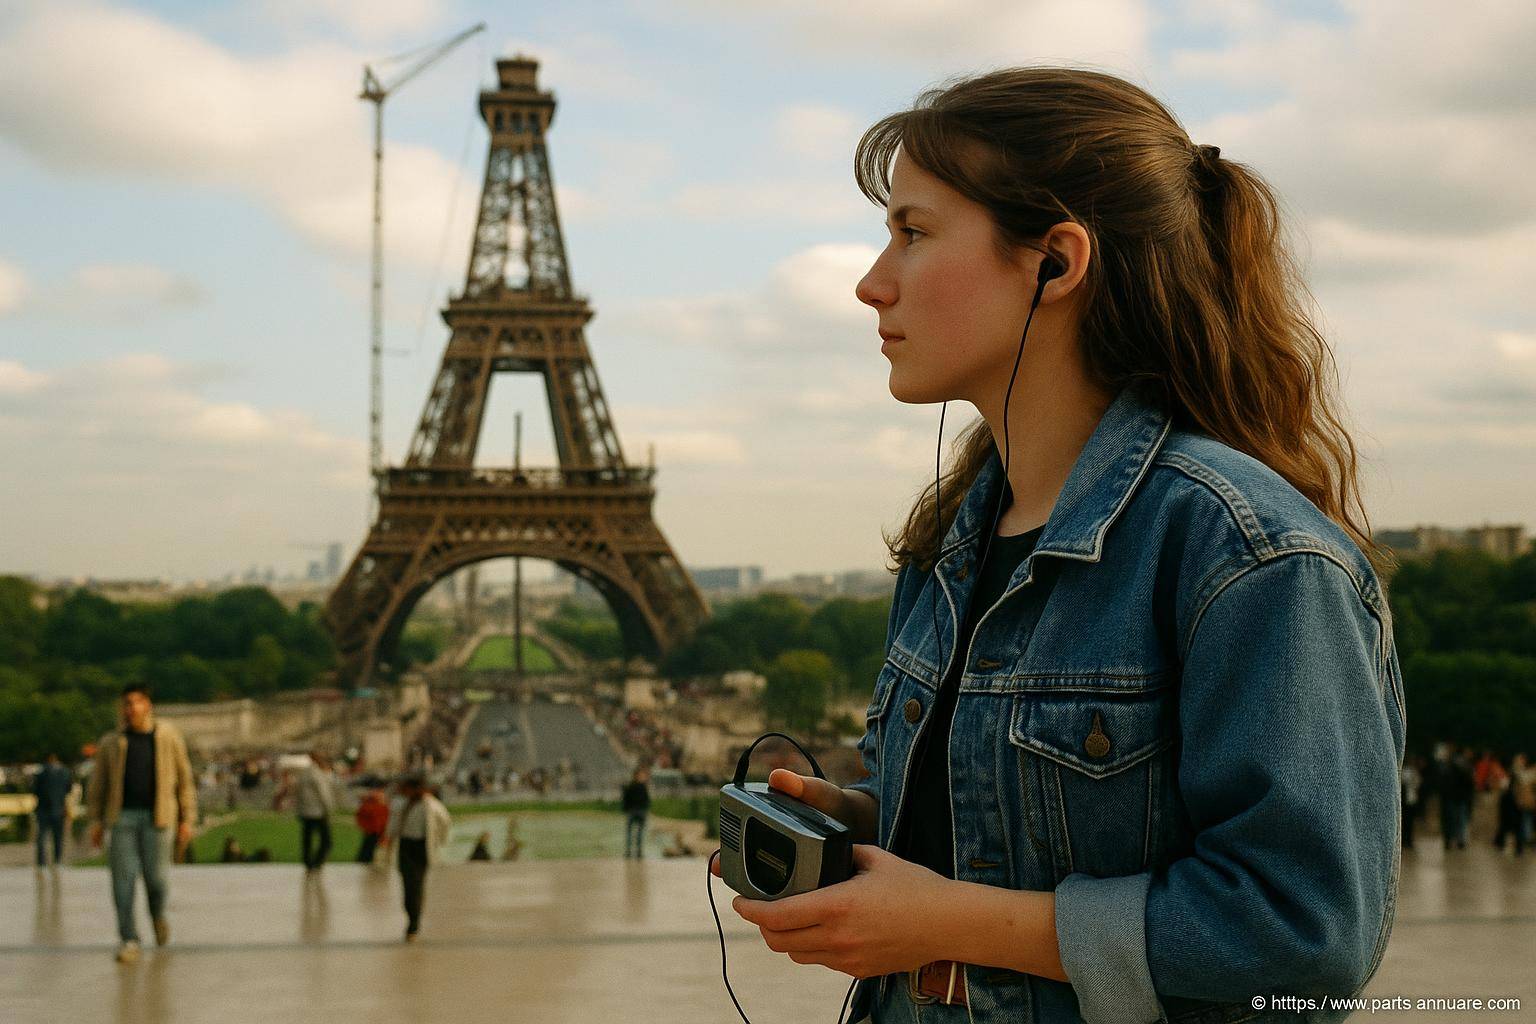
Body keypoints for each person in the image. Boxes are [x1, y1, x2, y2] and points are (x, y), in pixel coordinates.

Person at [720, 67, 1405, 1024]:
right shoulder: (949, 542)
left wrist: (946, 920)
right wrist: (873, 828)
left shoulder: (1247, 554)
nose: (872, 282)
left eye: (912, 232)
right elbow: (1025, 827)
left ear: (1056, 261)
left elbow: (1306, 936)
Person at [87, 683, 197, 964]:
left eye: (136, 702)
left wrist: (187, 819)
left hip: (158, 817)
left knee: (157, 880)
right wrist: (95, 821)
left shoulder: (168, 736)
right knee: (122, 882)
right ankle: (129, 938)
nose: (130, 708)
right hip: (122, 817)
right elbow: (98, 785)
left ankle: (158, 915)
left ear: (148, 705)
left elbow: (184, 781)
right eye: (126, 703)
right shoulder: (112, 742)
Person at [382, 774, 451, 941]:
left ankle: (414, 923)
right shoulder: (401, 803)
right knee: (407, 884)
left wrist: (438, 840)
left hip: (421, 847)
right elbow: (393, 825)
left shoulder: (430, 805)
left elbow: (445, 822)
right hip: (406, 846)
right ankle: (411, 914)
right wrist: (388, 842)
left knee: (417, 884)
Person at [295, 750, 337, 872]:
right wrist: (329, 808)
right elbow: (323, 793)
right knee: (326, 840)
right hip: (317, 811)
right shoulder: (316, 773)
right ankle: (316, 862)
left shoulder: (304, 773)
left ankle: (308, 862)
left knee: (307, 838)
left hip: (306, 811)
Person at [32, 753, 72, 868]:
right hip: (58, 808)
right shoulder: (64, 773)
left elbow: (35, 790)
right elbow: (68, 789)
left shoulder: (41, 773)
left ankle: (41, 862)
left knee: (42, 837)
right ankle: (57, 860)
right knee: (57, 837)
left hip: (44, 809)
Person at [354, 787, 389, 865]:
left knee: (370, 847)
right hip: (372, 830)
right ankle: (363, 860)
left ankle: (364, 860)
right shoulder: (372, 806)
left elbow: (384, 820)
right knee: (369, 847)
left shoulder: (381, 807)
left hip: (375, 830)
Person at [621, 767, 650, 859]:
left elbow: (626, 799)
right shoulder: (639, 787)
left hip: (637, 811)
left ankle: (635, 852)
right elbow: (646, 800)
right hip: (636, 811)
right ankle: (633, 852)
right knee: (633, 833)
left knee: (637, 833)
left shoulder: (633, 786)